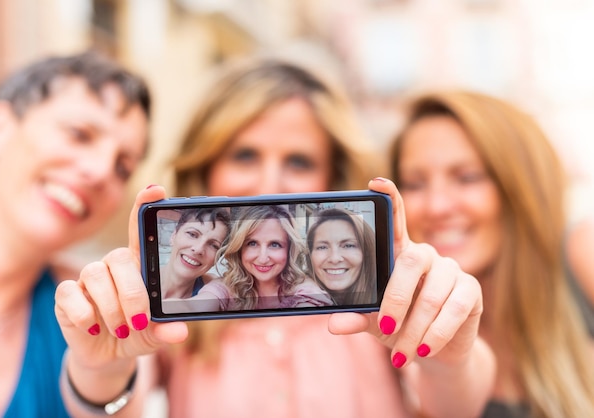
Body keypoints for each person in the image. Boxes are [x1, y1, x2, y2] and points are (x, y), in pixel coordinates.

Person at [55, 58, 495, 418]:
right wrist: (101, 369)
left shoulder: (375, 288)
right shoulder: (185, 302)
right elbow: (117, 408)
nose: (269, 181)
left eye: (299, 161)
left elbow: (455, 406)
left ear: (331, 177)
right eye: (245, 154)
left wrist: (449, 357)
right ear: (207, 168)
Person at [387, 90, 594, 418]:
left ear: (521, 188)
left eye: (467, 178)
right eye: (414, 184)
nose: (437, 206)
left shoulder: (581, 253)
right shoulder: (394, 322)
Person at [0, 50, 151, 417]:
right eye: (79, 134)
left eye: (122, 167)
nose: (101, 171)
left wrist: (101, 373)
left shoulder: (97, 314)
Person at [166, 204, 333, 312]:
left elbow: (308, 316)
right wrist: (162, 309)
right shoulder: (224, 287)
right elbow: (195, 305)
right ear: (239, 248)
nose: (262, 258)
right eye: (252, 243)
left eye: (275, 244)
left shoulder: (305, 289)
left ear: (289, 250)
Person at [305, 208, 376, 305]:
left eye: (348, 245)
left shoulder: (386, 293)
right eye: (322, 247)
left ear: (367, 253)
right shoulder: (298, 297)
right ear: (310, 256)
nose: (334, 259)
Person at [159, 207, 230, 303]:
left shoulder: (217, 289)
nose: (198, 249)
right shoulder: (137, 280)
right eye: (192, 234)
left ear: (217, 258)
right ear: (173, 236)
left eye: (213, 245)